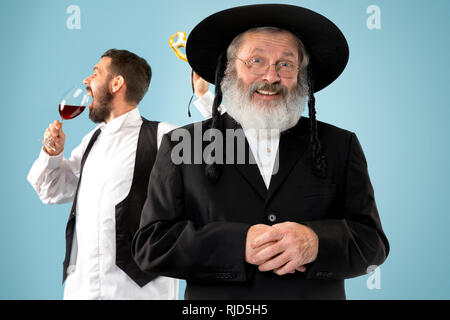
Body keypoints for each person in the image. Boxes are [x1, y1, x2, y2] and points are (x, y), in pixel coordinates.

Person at [132, 4, 389, 299]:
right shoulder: (183, 144)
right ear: (228, 70)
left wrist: (317, 242)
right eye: (256, 61)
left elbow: (373, 244)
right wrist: (239, 243)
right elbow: (151, 245)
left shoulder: (340, 145)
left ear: (301, 76)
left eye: (286, 64)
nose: (271, 76)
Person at [27, 49, 178, 299]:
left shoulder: (164, 136)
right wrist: (53, 153)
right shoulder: (91, 140)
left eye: (95, 73)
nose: (86, 81)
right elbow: (50, 190)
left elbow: (225, 146)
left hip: (139, 294)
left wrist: (205, 97)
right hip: (82, 291)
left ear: (116, 83)